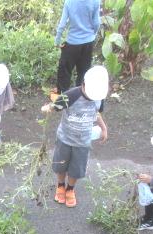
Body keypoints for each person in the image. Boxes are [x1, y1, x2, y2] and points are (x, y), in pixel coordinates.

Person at [41, 65, 108, 208]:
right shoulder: (71, 95)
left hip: (83, 141)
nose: (92, 97)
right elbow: (55, 106)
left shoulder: (99, 98)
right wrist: (48, 108)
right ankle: (60, 185)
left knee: (76, 168)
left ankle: (70, 189)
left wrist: (103, 127)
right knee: (61, 164)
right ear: (83, 84)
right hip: (65, 138)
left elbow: (97, 113)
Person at [55, 0, 101, 94]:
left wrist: (57, 40)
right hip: (88, 42)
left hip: (72, 43)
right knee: (84, 72)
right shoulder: (95, 1)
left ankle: (63, 98)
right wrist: (93, 34)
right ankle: (81, 97)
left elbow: (62, 24)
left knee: (64, 71)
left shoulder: (69, 2)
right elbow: (97, 23)